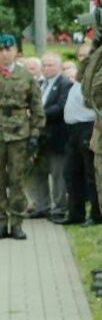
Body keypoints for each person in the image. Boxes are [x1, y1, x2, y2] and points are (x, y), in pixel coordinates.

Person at [0, 33, 45, 238]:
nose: (4, 54)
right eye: (1, 50)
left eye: (8, 49)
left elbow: (36, 107)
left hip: (19, 135)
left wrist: (35, 133)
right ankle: (1, 223)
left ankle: (16, 222)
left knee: (17, 180)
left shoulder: (26, 76)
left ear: (16, 52)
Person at [28, 51, 72, 219]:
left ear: (60, 66)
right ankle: (41, 206)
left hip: (56, 137)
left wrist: (37, 115)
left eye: (50, 65)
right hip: (39, 139)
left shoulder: (65, 84)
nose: (46, 68)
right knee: (37, 173)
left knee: (57, 175)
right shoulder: (39, 84)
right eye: (44, 65)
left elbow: (60, 108)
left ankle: (59, 208)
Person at [62, 44, 99, 225]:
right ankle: (75, 213)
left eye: (87, 55)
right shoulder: (79, 77)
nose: (83, 58)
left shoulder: (95, 75)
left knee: (91, 175)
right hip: (73, 130)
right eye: (80, 56)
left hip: (88, 127)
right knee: (71, 172)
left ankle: (95, 215)